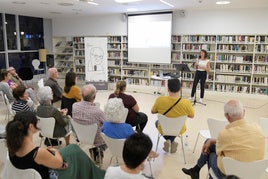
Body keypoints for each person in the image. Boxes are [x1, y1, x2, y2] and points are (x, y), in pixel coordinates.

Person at [6, 111, 105, 179]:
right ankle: (96, 174)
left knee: (73, 149)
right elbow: (61, 164)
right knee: (76, 156)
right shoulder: (37, 152)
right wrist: (55, 151)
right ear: (31, 126)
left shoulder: (12, 146)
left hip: (32, 171)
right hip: (50, 174)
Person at [182, 100, 265, 179]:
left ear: (227, 116)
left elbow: (220, 153)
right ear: (244, 112)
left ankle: (197, 170)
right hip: (253, 173)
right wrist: (212, 140)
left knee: (211, 154)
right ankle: (195, 170)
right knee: (208, 141)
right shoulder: (258, 128)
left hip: (229, 175)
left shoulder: (225, 134)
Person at [151, 78, 194, 153]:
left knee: (157, 123)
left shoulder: (160, 100)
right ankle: (171, 141)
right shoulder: (186, 102)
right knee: (176, 126)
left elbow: (153, 111)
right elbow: (192, 115)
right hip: (179, 128)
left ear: (168, 89)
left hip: (164, 128)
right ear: (180, 89)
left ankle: (169, 140)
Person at [72, 84, 106, 163]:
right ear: (94, 97)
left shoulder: (74, 106)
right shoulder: (98, 112)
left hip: (80, 136)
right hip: (96, 140)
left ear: (81, 95)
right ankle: (98, 151)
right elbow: (107, 123)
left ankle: (96, 152)